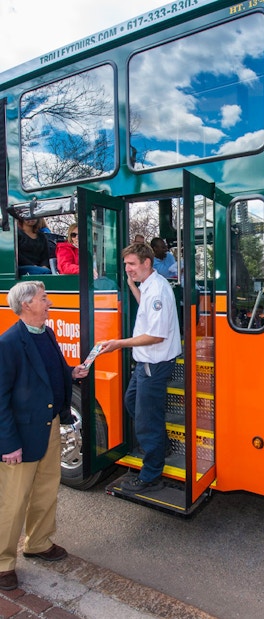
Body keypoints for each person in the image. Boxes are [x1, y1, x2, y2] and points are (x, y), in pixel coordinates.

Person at [0, 281, 89, 591]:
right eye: (44, 298)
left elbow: (52, 370)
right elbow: (1, 398)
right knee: (13, 501)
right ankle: (3, 563)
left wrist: (71, 373)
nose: (49, 302)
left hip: (49, 425)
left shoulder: (46, 333)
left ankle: (38, 542)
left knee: (45, 489)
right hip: (21, 435)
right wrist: (8, 444)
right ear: (27, 305)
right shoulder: (8, 343)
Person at [99, 243, 181, 492]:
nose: (128, 269)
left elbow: (156, 336)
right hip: (145, 363)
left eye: (132, 264)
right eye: (126, 264)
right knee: (132, 401)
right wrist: (133, 285)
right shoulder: (150, 287)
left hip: (152, 365)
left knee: (147, 420)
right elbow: (144, 304)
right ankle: (162, 445)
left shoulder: (157, 290)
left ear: (147, 263)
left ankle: (150, 476)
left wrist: (118, 344)